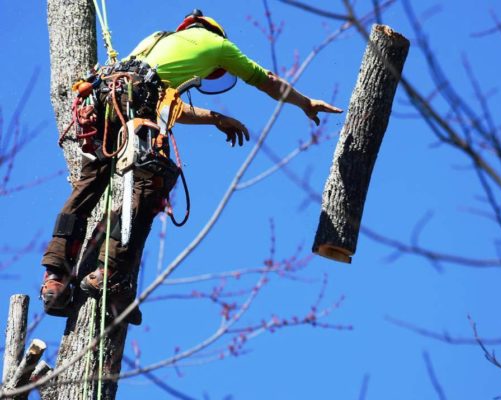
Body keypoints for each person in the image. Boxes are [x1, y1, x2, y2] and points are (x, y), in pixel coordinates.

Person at [40, 9, 342, 322]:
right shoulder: (219, 45)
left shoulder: (157, 40)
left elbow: (169, 106)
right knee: (150, 185)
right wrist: (305, 103)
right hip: (135, 103)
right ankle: (110, 275)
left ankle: (54, 277)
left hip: (106, 100)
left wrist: (216, 119)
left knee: (87, 189)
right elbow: (266, 80)